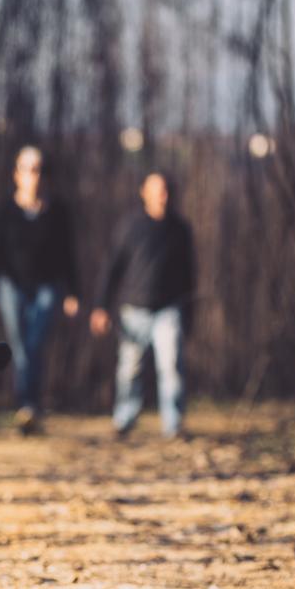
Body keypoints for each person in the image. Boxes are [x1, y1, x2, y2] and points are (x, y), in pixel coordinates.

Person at [0, 146, 80, 434]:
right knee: (20, 347)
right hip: (11, 284)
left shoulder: (58, 211)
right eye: (27, 169)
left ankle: (31, 404)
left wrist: (73, 293)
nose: (33, 175)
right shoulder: (5, 210)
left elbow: (67, 254)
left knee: (35, 345)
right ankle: (27, 406)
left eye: (38, 169)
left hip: (48, 286)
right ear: (16, 174)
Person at [90, 170, 196, 439]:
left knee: (171, 366)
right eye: (157, 190)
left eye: (166, 190)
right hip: (133, 310)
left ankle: (173, 424)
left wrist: (189, 314)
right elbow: (112, 268)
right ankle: (124, 418)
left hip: (169, 310)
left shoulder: (180, 230)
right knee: (129, 369)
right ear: (144, 193)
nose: (162, 196)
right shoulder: (130, 226)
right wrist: (101, 306)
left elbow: (189, 275)